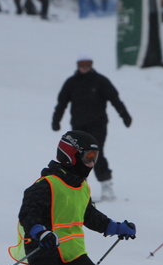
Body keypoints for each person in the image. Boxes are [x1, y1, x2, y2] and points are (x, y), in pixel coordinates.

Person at [7, 130, 136, 265]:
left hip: (69, 250)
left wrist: (114, 227)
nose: (91, 163)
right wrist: (40, 232)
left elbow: (89, 216)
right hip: (42, 245)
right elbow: (29, 213)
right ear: (71, 155)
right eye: (88, 158)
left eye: (94, 159)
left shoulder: (81, 187)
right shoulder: (46, 184)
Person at [51, 55, 132, 201]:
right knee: (77, 156)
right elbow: (61, 103)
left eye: (87, 65)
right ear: (78, 66)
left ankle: (106, 185)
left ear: (91, 65)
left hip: (98, 125)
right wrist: (56, 120)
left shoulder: (100, 81)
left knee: (94, 154)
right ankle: (80, 187)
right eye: (82, 65)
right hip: (78, 126)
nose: (84, 67)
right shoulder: (71, 83)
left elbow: (115, 99)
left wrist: (125, 115)